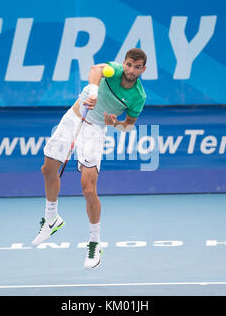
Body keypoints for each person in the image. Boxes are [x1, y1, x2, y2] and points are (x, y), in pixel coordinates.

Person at [32, 48, 147, 269]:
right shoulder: (113, 71)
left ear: (143, 69)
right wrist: (93, 92)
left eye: (137, 67)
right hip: (74, 117)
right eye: (129, 65)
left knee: (88, 188)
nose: (131, 70)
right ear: (124, 63)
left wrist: (116, 124)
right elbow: (96, 69)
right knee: (47, 169)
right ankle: (51, 219)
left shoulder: (138, 96)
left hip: (94, 130)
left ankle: (95, 242)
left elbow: (129, 125)